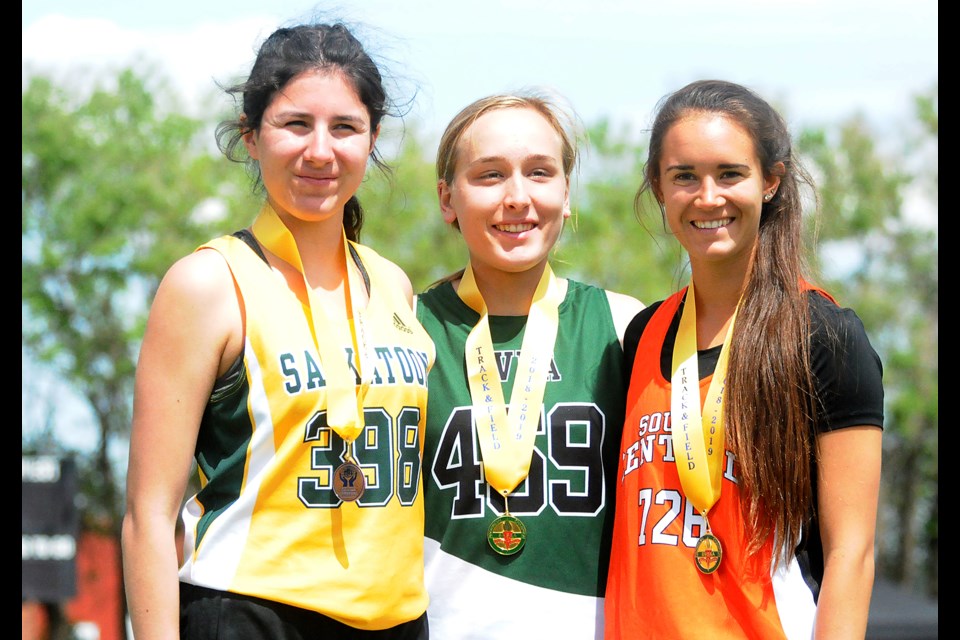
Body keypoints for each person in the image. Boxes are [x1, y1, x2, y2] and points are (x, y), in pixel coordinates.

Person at [120, 22, 435, 639]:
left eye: (345, 127)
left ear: (371, 141)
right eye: (296, 124)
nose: (320, 150)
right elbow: (146, 517)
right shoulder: (207, 284)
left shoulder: (393, 285)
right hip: (249, 612)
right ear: (251, 136)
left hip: (397, 618)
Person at [604, 79, 884, 639]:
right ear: (659, 189)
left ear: (771, 182)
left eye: (729, 174)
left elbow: (852, 553)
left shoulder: (822, 335)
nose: (708, 197)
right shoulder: (642, 335)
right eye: (684, 176)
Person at [415, 92, 645, 639]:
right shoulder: (404, 327)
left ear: (566, 194)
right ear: (448, 198)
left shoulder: (622, 326)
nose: (517, 197)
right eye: (490, 175)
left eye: (539, 173)